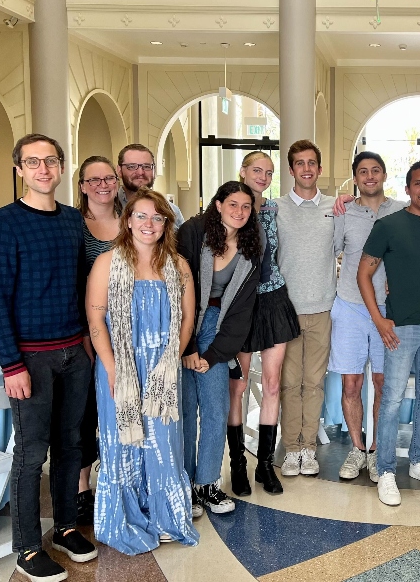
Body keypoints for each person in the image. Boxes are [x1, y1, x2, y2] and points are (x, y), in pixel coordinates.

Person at [0, 134, 98, 582]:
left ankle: (66, 526)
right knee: (32, 454)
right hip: (30, 359)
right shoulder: (4, 222)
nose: (43, 169)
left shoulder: (73, 221)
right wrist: (12, 365)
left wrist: (89, 346)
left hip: (74, 352)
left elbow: (80, 286)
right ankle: (28, 547)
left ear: (61, 165)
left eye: (50, 160)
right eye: (32, 162)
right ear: (19, 170)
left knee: (71, 446)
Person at [86, 188, 199, 554]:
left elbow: (186, 319)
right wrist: (112, 367)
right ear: (127, 220)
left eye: (157, 217)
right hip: (119, 367)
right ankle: (128, 515)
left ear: (166, 223)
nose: (148, 224)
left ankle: (167, 516)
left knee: (164, 443)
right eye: (141, 216)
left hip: (163, 368)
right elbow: (96, 318)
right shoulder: (107, 262)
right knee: (124, 443)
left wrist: (169, 362)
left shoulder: (178, 265)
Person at [359, 160, 420, 506]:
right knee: (393, 401)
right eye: (418, 184)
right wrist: (379, 319)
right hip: (401, 328)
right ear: (408, 187)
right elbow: (363, 274)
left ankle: (418, 461)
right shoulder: (388, 225)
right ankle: (385, 470)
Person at [178, 181, 261, 516]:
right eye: (233, 205)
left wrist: (211, 355)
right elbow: (176, 287)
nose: (240, 212)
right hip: (183, 323)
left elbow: (242, 311)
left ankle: (207, 484)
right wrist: (188, 348)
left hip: (219, 327)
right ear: (217, 205)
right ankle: (183, 484)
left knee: (215, 408)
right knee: (184, 411)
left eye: (246, 206)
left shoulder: (251, 246)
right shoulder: (192, 232)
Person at [331, 151, 405, 482]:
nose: (370, 176)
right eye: (363, 171)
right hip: (349, 305)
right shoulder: (344, 211)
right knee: (352, 382)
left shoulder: (401, 210)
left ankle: (376, 451)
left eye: (376, 170)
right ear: (356, 178)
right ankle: (357, 450)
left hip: (388, 311)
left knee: (382, 381)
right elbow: (330, 250)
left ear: (385, 175)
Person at [230, 152, 301, 496]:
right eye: (256, 170)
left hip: (273, 299)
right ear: (242, 172)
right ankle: (237, 465)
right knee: (239, 388)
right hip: (240, 305)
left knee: (272, 385)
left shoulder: (274, 209)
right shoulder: (228, 207)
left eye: (268, 172)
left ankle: (265, 465)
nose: (262, 176)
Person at [276, 140, 337, 477]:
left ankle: (309, 448)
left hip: (322, 308)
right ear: (291, 170)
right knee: (289, 383)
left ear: (320, 168)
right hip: (286, 310)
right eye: (300, 163)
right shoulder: (275, 209)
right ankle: (292, 449)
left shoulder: (334, 207)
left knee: (314, 383)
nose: (307, 169)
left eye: (312, 162)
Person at [75, 155, 123, 526]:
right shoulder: (74, 225)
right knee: (85, 413)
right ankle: (80, 488)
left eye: (108, 177)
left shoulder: (133, 219)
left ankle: (117, 479)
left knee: (119, 408)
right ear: (82, 185)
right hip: (85, 330)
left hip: (130, 333)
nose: (103, 184)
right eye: (94, 179)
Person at [117, 143, 185, 227]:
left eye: (146, 166)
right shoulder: (107, 208)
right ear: (119, 171)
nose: (140, 172)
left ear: (154, 170)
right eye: (132, 166)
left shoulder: (172, 211)